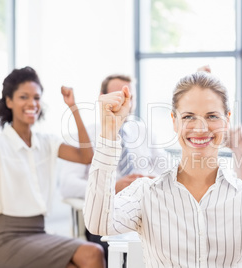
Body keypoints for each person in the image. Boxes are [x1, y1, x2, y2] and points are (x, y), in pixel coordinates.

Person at [84, 71, 242, 267]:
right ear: (174, 121)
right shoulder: (146, 192)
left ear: (227, 120)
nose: (200, 128)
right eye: (188, 117)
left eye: (212, 116)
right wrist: (108, 136)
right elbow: (99, 223)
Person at [0, 66, 105, 268]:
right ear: (9, 102)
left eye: (36, 98)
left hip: (38, 232)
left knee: (85, 259)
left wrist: (73, 107)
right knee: (92, 252)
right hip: (5, 237)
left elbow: (86, 156)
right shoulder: (0, 145)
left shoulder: (47, 142)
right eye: (24, 97)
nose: (32, 103)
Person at [59, 74, 168, 263]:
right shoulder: (84, 135)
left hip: (146, 209)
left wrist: (150, 180)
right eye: (119, 95)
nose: (126, 101)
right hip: (105, 211)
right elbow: (67, 185)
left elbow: (168, 170)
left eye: (130, 96)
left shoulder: (143, 131)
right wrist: (113, 186)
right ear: (103, 96)